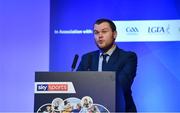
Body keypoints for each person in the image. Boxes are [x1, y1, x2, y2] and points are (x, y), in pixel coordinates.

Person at [77, 18, 137, 112]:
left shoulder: (128, 57)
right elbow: (78, 85)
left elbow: (121, 86)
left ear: (114, 34)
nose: (100, 36)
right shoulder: (87, 58)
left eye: (104, 32)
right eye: (96, 32)